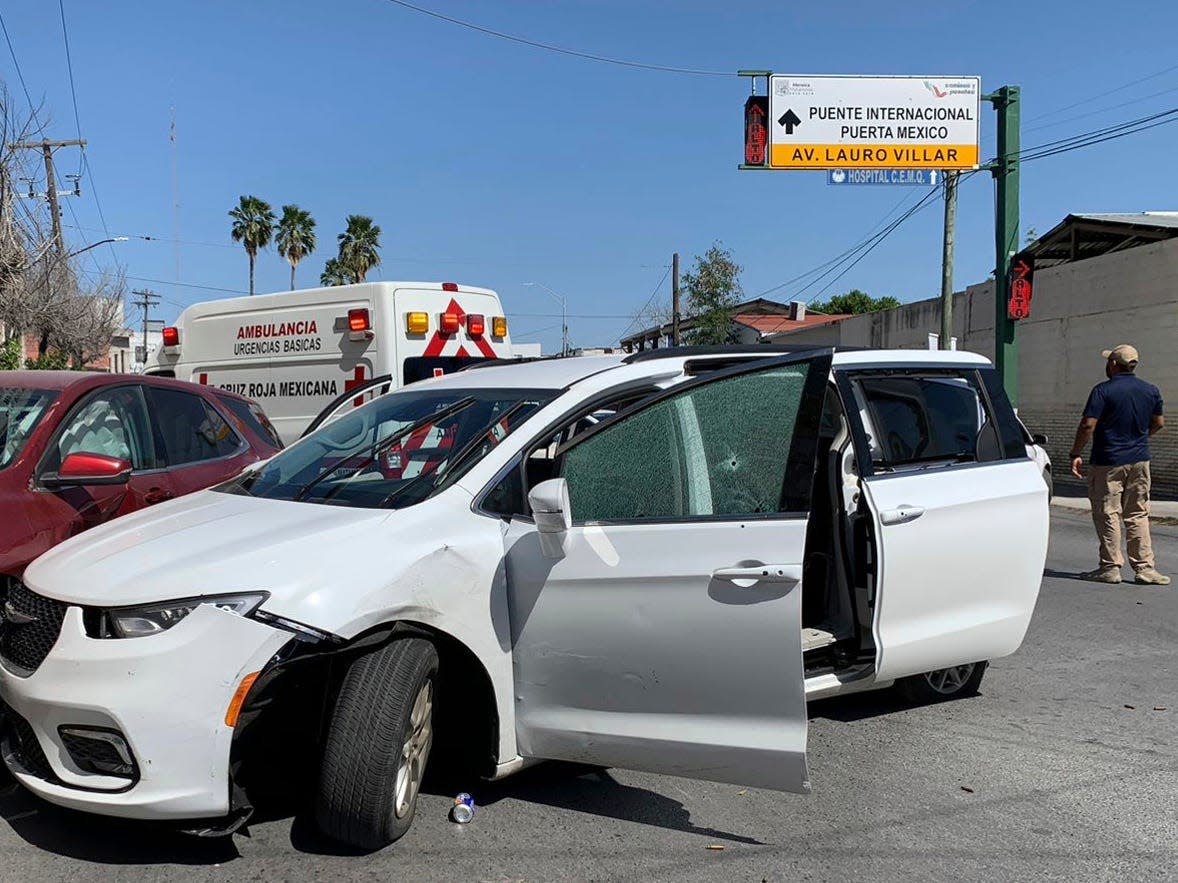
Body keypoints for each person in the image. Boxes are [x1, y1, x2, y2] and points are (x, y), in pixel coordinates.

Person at [1069, 344, 1168, 585]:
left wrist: (1076, 453)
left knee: (1107, 512)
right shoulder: (1150, 390)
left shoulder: (1103, 391)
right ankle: (1144, 567)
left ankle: (1110, 567)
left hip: (1108, 461)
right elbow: (1159, 423)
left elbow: (1088, 425)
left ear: (1113, 364)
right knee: (1138, 513)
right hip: (1140, 461)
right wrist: (1139, 439)